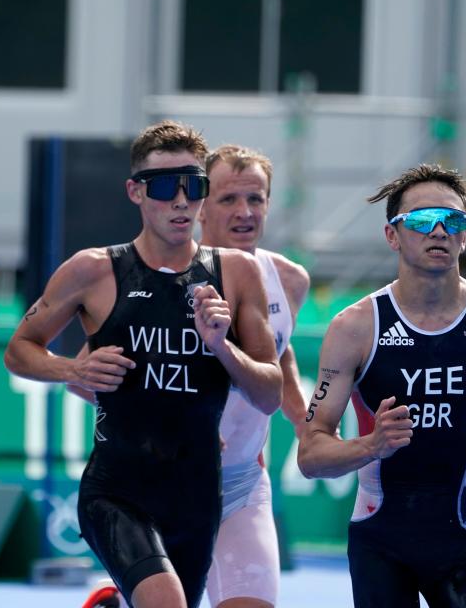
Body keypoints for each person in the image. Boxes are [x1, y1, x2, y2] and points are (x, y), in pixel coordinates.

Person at [5, 120, 283, 608]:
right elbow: (20, 349)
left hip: (198, 496)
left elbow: (269, 394)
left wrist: (222, 346)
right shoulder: (94, 269)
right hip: (118, 490)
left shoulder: (237, 274)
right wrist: (72, 370)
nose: (180, 201)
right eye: (162, 187)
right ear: (135, 192)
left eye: (193, 187)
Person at [297, 164, 466, 607]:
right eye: (420, 221)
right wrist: (372, 446)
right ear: (392, 235)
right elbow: (311, 455)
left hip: (462, 542)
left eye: (453, 221)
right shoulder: (355, 327)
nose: (438, 231)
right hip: (381, 542)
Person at [198, 145, 310, 608]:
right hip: (160, 484)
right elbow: (85, 376)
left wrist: (308, 424)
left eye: (256, 199)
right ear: (200, 205)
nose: (245, 213)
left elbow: (278, 355)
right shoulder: (159, 276)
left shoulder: (290, 279)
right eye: (229, 200)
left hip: (242, 484)